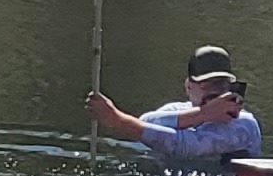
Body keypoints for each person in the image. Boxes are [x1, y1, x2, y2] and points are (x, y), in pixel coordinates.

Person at [88, 45, 264, 162]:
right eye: (206, 85)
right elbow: (146, 121)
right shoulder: (176, 110)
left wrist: (117, 120)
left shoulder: (243, 125)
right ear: (188, 87)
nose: (215, 92)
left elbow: (183, 147)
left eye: (221, 85)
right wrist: (201, 115)